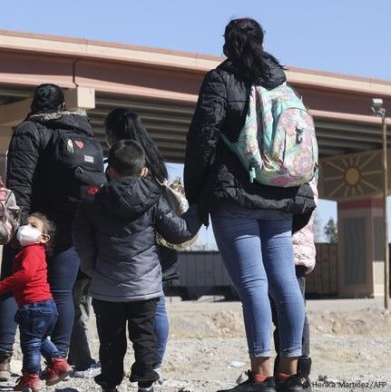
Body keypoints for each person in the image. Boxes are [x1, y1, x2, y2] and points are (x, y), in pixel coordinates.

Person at [183, 18, 316, 392]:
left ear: (227, 44)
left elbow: (203, 138)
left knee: (254, 286)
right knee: (285, 282)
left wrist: (196, 194)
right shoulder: (279, 80)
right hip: (280, 195)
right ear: (262, 42)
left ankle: (260, 376)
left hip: (235, 195)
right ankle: (290, 374)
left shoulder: (220, 80)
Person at [0, 83, 105, 380]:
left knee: (15, 286)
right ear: (62, 105)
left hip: (36, 223)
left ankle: (2, 361)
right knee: (63, 293)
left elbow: (20, 182)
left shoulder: (30, 130)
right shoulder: (84, 132)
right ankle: (57, 362)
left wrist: (20, 226)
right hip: (71, 223)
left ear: (34, 105)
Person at [73, 140, 200, 392]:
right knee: (144, 337)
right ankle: (145, 384)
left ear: (111, 171)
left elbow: (81, 241)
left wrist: (92, 269)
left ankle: (109, 384)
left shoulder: (91, 203)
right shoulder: (154, 198)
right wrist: (196, 210)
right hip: (145, 286)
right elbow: (179, 233)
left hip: (106, 286)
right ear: (143, 171)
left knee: (110, 339)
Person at [104, 107, 177, 381]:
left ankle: (116, 370)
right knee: (156, 306)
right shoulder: (155, 163)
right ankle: (152, 366)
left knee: (118, 313)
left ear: (112, 135)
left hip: (128, 249)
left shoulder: (118, 165)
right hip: (159, 246)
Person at [0, 213, 74, 391]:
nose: (26, 227)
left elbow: (25, 275)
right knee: (39, 339)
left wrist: (0, 287)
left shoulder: (32, 251)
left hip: (34, 306)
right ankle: (59, 363)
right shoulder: (32, 251)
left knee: (30, 344)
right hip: (44, 306)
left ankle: (31, 377)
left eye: (33, 226)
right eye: (26, 224)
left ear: (44, 238)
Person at [270, 180, 318, 392]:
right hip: (294, 250)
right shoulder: (305, 169)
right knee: (290, 311)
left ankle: (295, 370)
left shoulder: (293, 174)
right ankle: (294, 368)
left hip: (289, 249)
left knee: (289, 311)